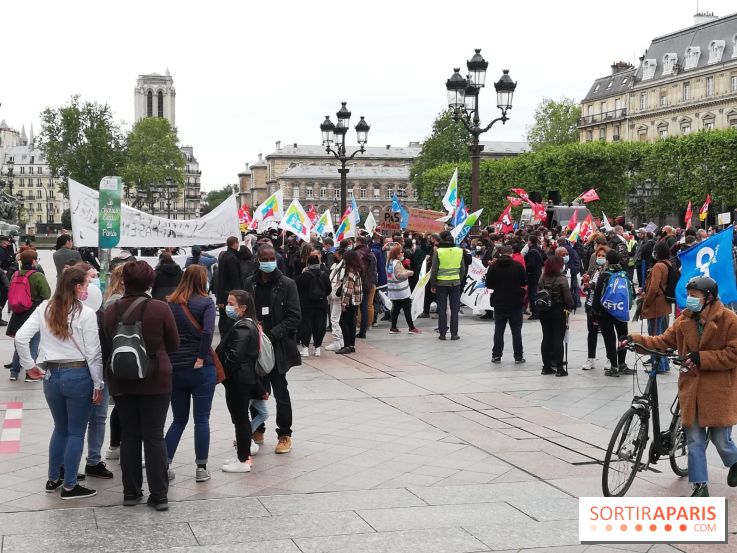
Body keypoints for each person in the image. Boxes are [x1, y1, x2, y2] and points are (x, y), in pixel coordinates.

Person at [624, 277, 737, 497]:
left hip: (719, 390)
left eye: (695, 296)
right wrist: (633, 339)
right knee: (694, 439)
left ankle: (734, 462)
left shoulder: (729, 320)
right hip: (691, 389)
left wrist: (701, 358)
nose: (690, 300)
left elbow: (733, 354)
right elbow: (662, 341)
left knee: (720, 440)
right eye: (689, 296)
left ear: (709, 298)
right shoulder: (684, 320)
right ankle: (699, 486)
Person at [15, 267, 103, 499]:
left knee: (60, 429)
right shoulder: (85, 313)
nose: (87, 289)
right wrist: (98, 383)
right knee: (76, 432)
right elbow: (94, 354)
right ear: (77, 287)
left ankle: (53, 478)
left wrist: (29, 365)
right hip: (78, 374)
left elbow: (21, 337)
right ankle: (70, 486)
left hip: (51, 375)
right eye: (85, 284)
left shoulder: (44, 308)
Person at [103, 261, 179, 510]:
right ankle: (159, 495)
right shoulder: (160, 308)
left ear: (124, 281)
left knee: (130, 435)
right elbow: (174, 344)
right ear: (150, 282)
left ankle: (131, 492)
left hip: (122, 379)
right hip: (156, 379)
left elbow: (106, 345)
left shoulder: (111, 310)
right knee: (154, 435)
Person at [243, 244, 301, 454]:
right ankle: (257, 429)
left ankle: (284, 434)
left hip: (277, 346)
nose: (268, 262)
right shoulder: (250, 283)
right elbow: (244, 310)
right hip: (254, 345)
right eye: (264, 258)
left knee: (280, 390)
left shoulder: (287, 284)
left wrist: (272, 334)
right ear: (258, 259)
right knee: (256, 389)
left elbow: (294, 316)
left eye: (271, 258)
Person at [164, 265, 217, 483]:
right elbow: (208, 331)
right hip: (201, 368)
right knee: (201, 419)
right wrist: (201, 357)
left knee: (178, 419)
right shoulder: (206, 303)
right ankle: (201, 468)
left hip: (176, 367)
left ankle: (164, 464)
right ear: (202, 280)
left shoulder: (170, 303)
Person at [217, 289, 269, 472]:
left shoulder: (244, 327)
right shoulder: (247, 324)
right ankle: (242, 455)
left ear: (243, 307)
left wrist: (225, 372)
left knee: (240, 419)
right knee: (241, 419)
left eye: (232, 304)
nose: (228, 307)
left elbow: (235, 356)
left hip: (238, 379)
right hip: (242, 377)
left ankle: (243, 460)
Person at [7, 249, 51, 381]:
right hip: (33, 311)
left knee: (19, 342)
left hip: (18, 313)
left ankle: (14, 372)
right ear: (33, 261)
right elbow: (47, 294)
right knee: (33, 342)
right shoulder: (37, 275)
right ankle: (29, 373)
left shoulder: (15, 274)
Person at [592, 250, 633, 377]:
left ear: (607, 261)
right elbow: (632, 293)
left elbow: (597, 295)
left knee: (609, 340)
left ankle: (614, 367)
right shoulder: (624, 274)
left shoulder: (604, 275)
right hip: (621, 311)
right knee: (622, 337)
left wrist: (594, 313)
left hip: (606, 313)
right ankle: (622, 364)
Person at [486, 246, 526, 364]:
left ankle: (496, 355)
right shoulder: (518, 266)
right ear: (511, 253)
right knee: (516, 331)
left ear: (500, 253)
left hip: (499, 301)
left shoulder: (493, 266)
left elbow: (488, 284)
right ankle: (518, 356)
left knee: (499, 330)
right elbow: (524, 282)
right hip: (515, 301)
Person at [102, 264, 126, 462]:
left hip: (117, 358)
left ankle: (115, 445)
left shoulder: (113, 297)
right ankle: (116, 445)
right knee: (122, 405)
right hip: (120, 359)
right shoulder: (116, 301)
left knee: (121, 405)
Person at [538, 255, 574, 376]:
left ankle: (546, 366)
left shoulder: (542, 277)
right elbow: (568, 298)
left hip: (544, 311)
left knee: (546, 337)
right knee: (558, 339)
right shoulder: (561, 279)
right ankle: (559, 368)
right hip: (558, 311)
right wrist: (571, 305)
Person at [641, 240, 673, 373]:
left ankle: (659, 365)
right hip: (663, 304)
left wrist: (646, 302)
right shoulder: (668, 263)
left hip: (655, 305)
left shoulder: (658, 266)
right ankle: (663, 364)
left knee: (655, 336)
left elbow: (654, 288)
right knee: (660, 335)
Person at [430, 231, 467, 341]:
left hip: (441, 283)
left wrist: (433, 284)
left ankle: (442, 334)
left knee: (442, 309)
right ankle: (454, 334)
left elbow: (434, 270)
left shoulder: (439, 251)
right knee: (454, 309)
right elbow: (463, 269)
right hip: (455, 283)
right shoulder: (459, 251)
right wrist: (458, 279)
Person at [294, 252, 332, 356]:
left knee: (306, 326)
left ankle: (305, 348)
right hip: (321, 305)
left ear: (308, 263)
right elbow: (329, 290)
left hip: (306, 305)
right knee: (319, 326)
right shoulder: (324, 275)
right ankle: (318, 348)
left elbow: (296, 288)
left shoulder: (304, 276)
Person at [581, 245, 608, 371]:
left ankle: (610, 358)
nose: (600, 258)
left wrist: (591, 285)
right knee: (591, 332)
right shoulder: (594, 270)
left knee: (607, 332)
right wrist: (586, 283)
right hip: (591, 304)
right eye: (599, 255)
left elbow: (602, 287)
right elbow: (589, 286)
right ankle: (590, 358)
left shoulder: (608, 271)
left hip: (603, 306)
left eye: (603, 256)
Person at [385, 244, 419, 334]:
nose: (402, 254)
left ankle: (393, 327)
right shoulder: (397, 263)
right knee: (407, 309)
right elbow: (399, 275)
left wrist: (406, 271)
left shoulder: (389, 262)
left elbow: (393, 275)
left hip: (394, 291)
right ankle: (411, 328)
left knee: (395, 309)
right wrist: (409, 273)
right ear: (397, 254)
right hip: (402, 291)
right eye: (401, 252)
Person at [336, 249, 363, 354]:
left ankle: (347, 345)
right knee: (351, 322)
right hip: (355, 301)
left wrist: (344, 303)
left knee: (343, 322)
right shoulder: (357, 270)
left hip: (350, 301)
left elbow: (348, 289)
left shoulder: (350, 272)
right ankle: (351, 345)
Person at [215, 237, 243, 336]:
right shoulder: (232, 258)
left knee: (224, 319)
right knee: (230, 319)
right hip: (231, 293)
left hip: (224, 293)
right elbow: (235, 277)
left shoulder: (224, 256)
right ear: (235, 244)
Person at [354, 235, 377, 339]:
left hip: (361, 283)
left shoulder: (359, 254)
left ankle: (361, 330)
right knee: (366, 306)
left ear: (358, 242)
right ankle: (364, 329)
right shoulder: (371, 253)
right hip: (369, 283)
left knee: (359, 306)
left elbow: (359, 269)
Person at [325, 248, 345, 351]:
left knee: (334, 319)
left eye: (336, 255)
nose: (334, 256)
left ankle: (337, 341)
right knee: (335, 318)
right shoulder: (336, 267)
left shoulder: (343, 268)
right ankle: (340, 340)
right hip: (333, 296)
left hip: (337, 297)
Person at [524, 235, 545, 320]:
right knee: (536, 293)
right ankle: (537, 311)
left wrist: (526, 268)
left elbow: (531, 265)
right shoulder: (539, 249)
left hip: (532, 275)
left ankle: (535, 312)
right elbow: (545, 259)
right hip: (538, 274)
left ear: (530, 241)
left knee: (532, 294)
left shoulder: (532, 251)